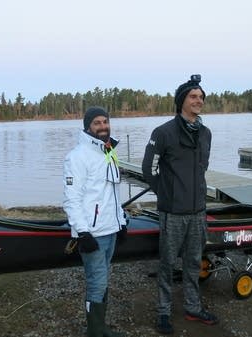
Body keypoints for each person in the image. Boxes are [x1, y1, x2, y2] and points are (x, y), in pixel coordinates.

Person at [142, 74, 217, 334]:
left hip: (198, 211)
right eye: (193, 97)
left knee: (194, 262)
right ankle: (163, 312)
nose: (199, 101)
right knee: (167, 264)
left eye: (201, 97)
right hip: (172, 212)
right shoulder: (163, 132)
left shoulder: (205, 133)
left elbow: (202, 168)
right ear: (181, 101)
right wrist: (166, 195)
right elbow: (148, 169)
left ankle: (192, 307)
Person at [63, 106, 127, 337]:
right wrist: (82, 232)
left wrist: (121, 222)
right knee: (97, 282)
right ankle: (95, 331)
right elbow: (72, 199)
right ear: (87, 126)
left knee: (103, 280)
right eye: (97, 122)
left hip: (110, 229)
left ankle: (100, 328)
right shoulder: (77, 156)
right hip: (92, 232)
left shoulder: (108, 151)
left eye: (105, 122)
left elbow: (112, 193)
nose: (103, 126)